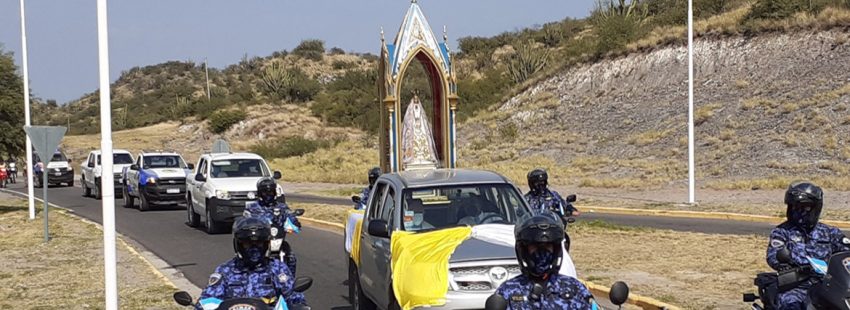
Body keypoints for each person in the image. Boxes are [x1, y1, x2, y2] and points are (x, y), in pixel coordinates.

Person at [766, 181, 850, 310]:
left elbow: (846, 254)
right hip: (797, 285)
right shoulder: (782, 232)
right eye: (794, 207)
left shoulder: (830, 232)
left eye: (804, 207)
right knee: (790, 304)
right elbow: (773, 256)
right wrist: (786, 263)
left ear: (816, 207)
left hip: (828, 285)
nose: (798, 211)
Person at [196, 217, 306, 309]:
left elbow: (294, 297)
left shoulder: (277, 269)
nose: (254, 248)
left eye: (259, 243)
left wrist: (299, 306)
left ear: (266, 244)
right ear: (238, 244)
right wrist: (201, 306)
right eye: (247, 244)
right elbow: (207, 300)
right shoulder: (225, 271)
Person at [494, 212, 598, 309]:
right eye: (535, 246)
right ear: (524, 250)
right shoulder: (508, 291)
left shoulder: (574, 289)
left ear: (556, 249)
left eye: (547, 245)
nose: (542, 251)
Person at [244, 177, 301, 275]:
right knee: (248, 256)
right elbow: (246, 221)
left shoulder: (282, 207)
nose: (268, 195)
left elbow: (290, 216)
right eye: (265, 192)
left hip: (278, 239)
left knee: (291, 258)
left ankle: (290, 280)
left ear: (275, 192)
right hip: (259, 241)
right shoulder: (252, 208)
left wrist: (293, 222)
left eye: (270, 192)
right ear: (260, 193)